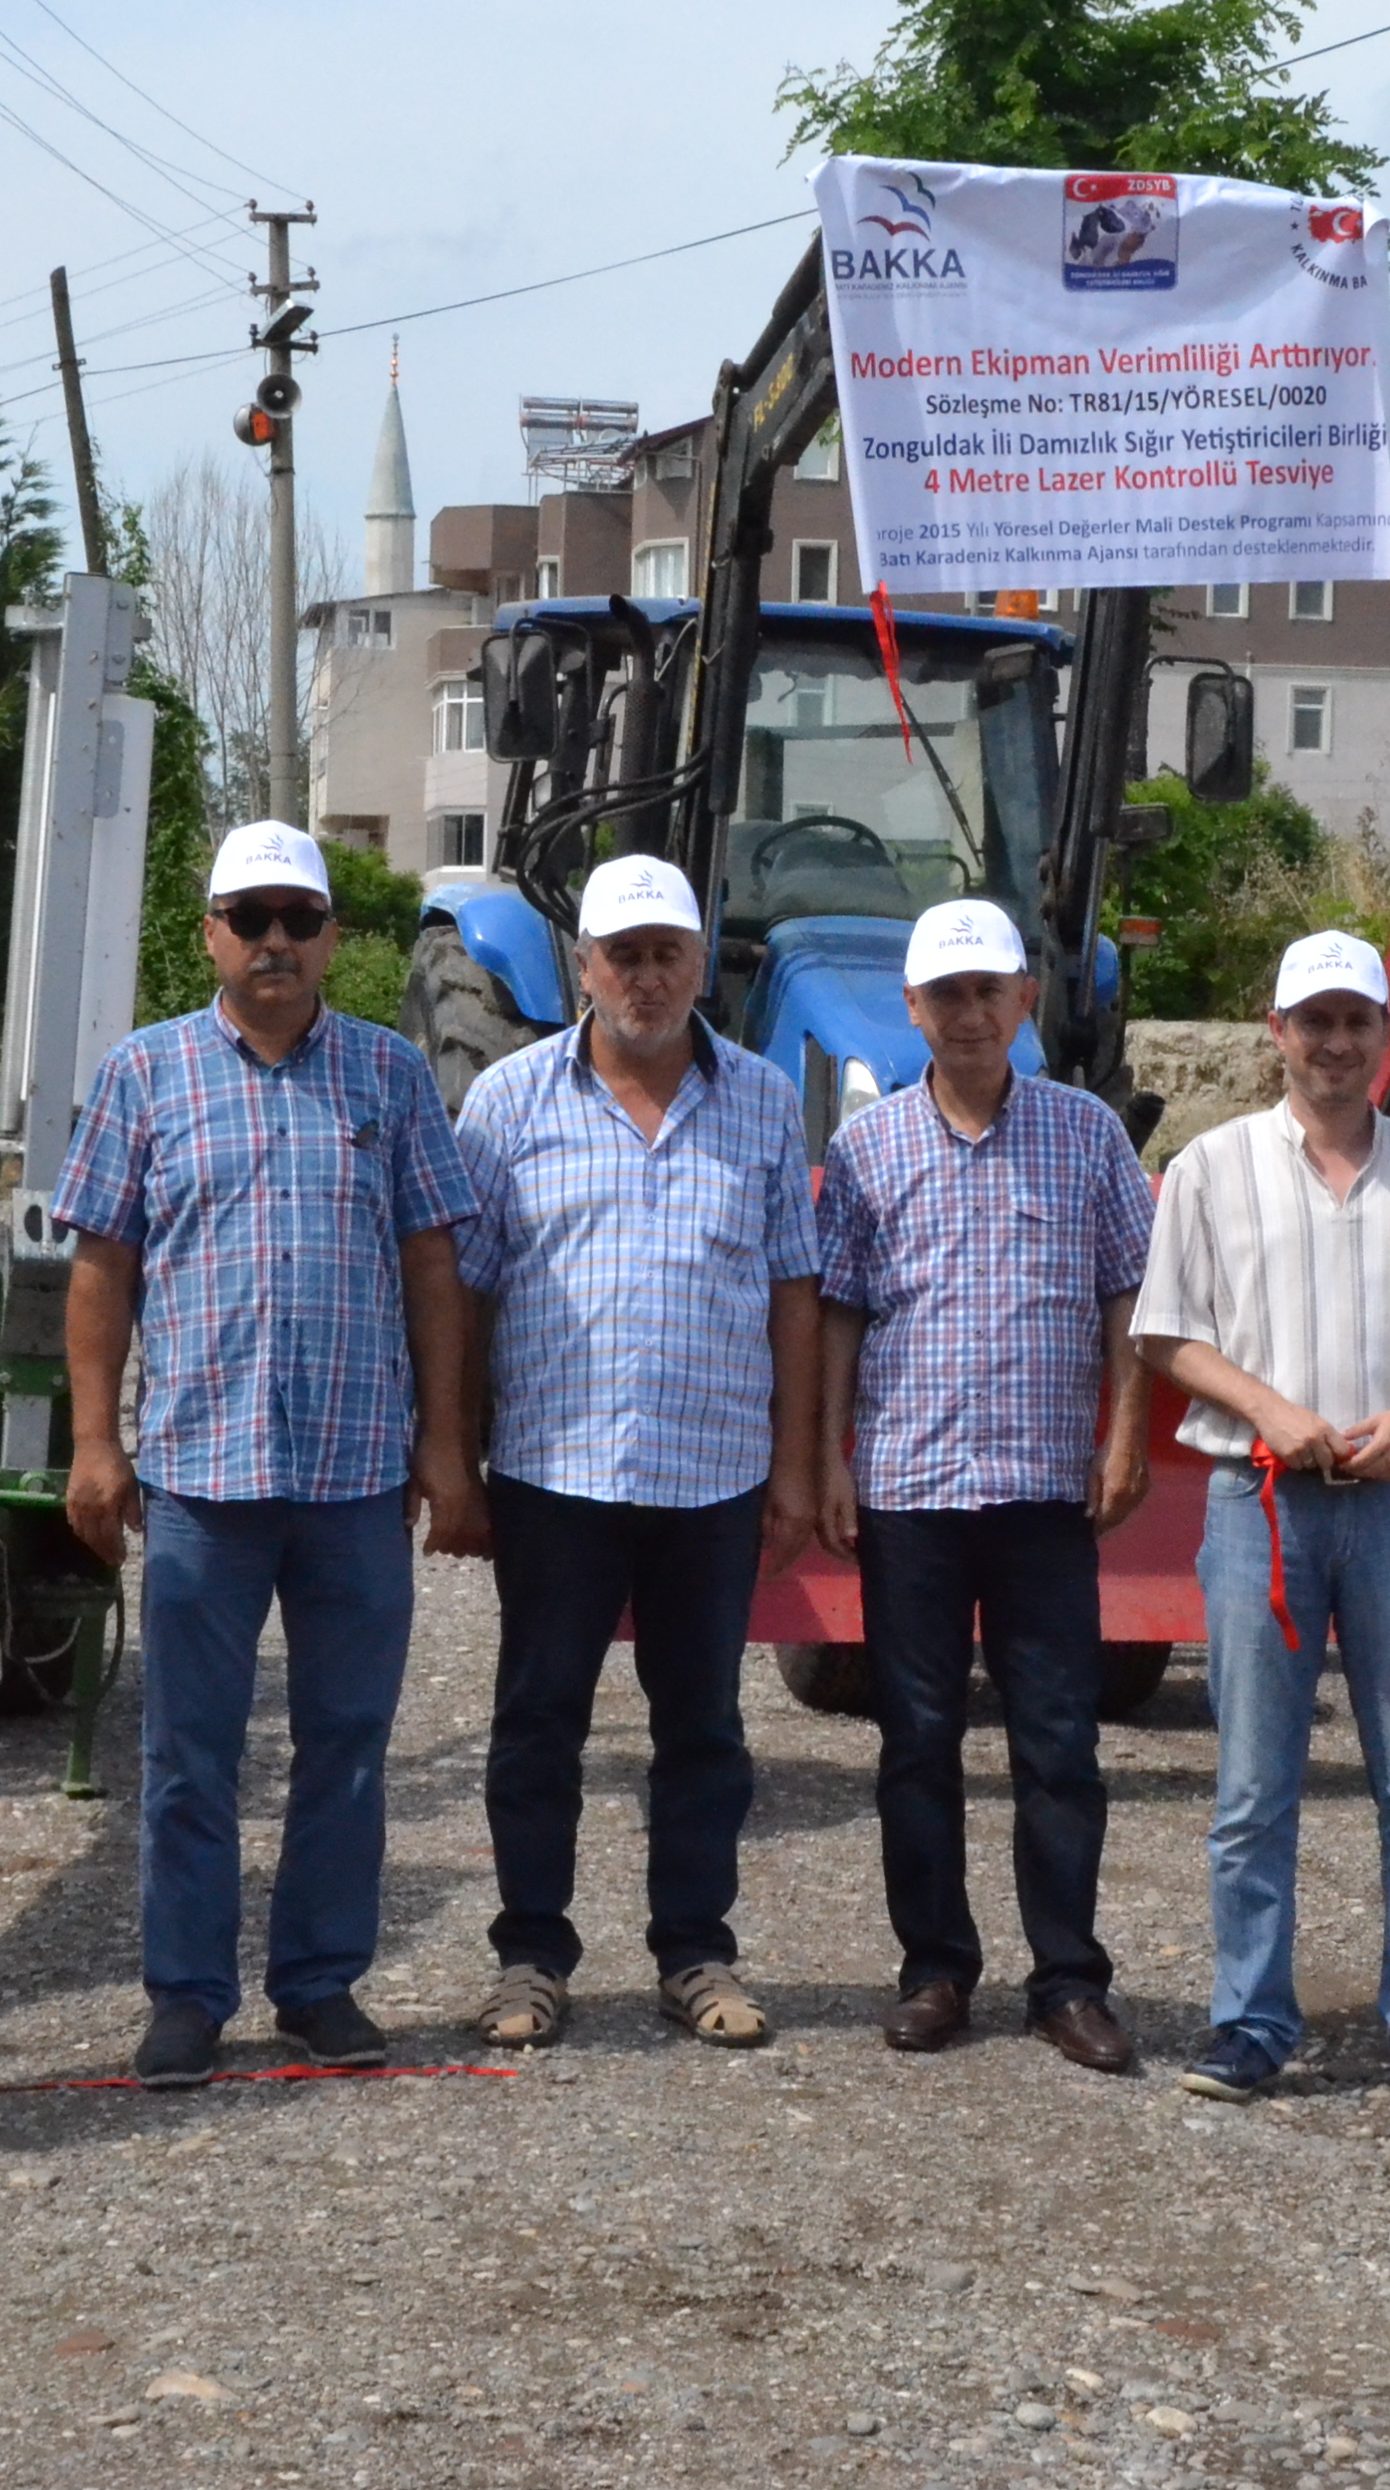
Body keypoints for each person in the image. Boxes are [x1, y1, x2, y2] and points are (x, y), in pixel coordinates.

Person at [54, 821, 482, 2085]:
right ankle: (188, 1996)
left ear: (335, 938)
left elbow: (434, 1267)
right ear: (211, 935)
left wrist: (445, 1447)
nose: (278, 940)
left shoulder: (393, 1077)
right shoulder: (144, 1073)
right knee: (192, 1754)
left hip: (356, 1475)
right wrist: (94, 1442)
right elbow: (102, 1268)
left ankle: (317, 1984)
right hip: (202, 1474)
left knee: (347, 1744)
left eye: (301, 917)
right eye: (252, 917)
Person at [1133, 930, 1390, 2110]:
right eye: (1316, 1021)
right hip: (1262, 1504)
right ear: (1279, 1033)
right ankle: (1250, 2020)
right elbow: (1166, 1331)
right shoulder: (1212, 1167)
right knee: (1255, 1787)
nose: (1338, 1043)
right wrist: (1269, 1408)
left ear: (1381, 1034)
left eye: (1358, 1021)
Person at [449, 853, 820, 2052]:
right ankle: (529, 1958)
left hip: (712, 1473)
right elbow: (463, 1294)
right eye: (624, 954)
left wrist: (799, 1466)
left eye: (668, 953)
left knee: (702, 1728)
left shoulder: (763, 1100)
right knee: (540, 1718)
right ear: (582, 967)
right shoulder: (506, 1102)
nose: (646, 976)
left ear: (701, 965)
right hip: (555, 1471)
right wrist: (451, 1456)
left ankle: (695, 1953)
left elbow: (795, 1294)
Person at [813, 897, 1158, 2072]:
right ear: (911, 1009)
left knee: (1059, 1741)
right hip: (911, 1487)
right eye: (945, 995)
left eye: (988, 991)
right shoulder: (866, 1150)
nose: (969, 1013)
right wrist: (827, 1459)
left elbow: (1129, 1298)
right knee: (915, 1739)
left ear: (1025, 1001)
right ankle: (936, 1968)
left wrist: (1124, 1436)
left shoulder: (1088, 1135)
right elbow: (840, 1316)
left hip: (1041, 1492)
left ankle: (1067, 1978)